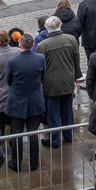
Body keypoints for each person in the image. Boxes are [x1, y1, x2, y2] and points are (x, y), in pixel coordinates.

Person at [4, 33, 46, 172]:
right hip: (35, 100)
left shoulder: (13, 62)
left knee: (17, 133)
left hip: (17, 101)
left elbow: (8, 80)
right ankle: (34, 164)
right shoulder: (40, 58)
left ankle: (16, 163)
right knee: (33, 132)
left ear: (20, 44)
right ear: (32, 44)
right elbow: (43, 77)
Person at [38, 16, 80, 148]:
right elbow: (76, 60)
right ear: (60, 25)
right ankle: (68, 136)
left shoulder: (42, 45)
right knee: (67, 110)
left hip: (50, 84)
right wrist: (76, 76)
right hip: (68, 80)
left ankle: (55, 140)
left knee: (53, 112)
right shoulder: (71, 39)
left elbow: (40, 66)